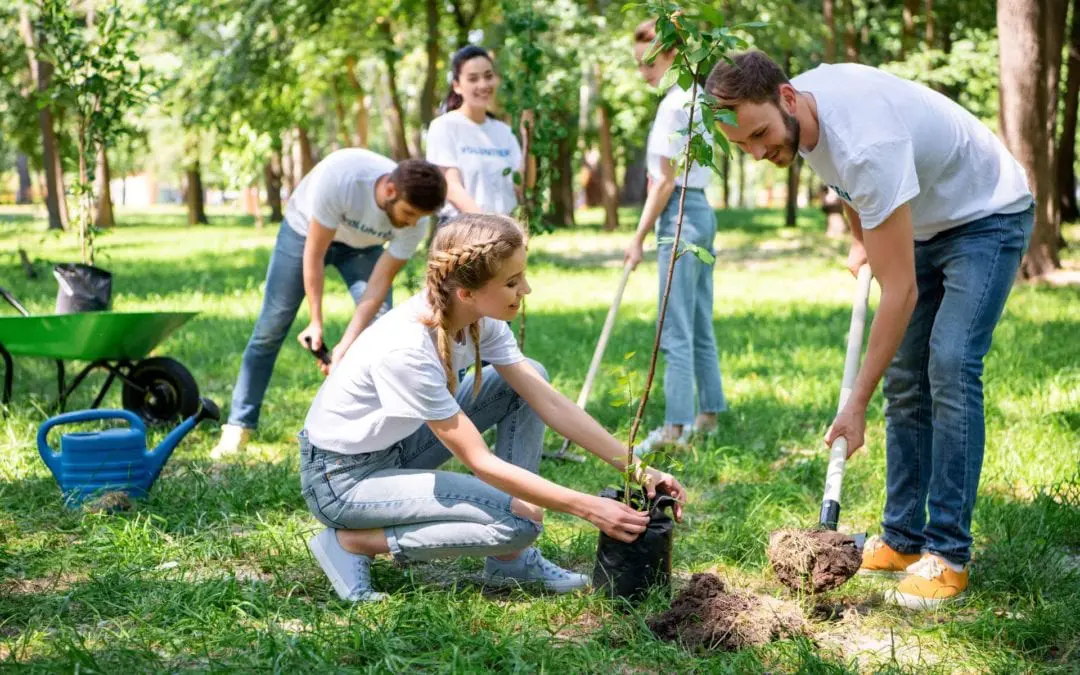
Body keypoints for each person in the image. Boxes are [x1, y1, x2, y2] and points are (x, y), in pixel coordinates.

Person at [705, 51, 1033, 609]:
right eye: (743, 147)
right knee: (906, 377)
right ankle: (904, 540)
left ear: (786, 97)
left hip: (986, 215)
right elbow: (848, 185)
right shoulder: (799, 113)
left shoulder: (864, 141)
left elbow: (898, 291)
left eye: (760, 135)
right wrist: (861, 235)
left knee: (949, 365)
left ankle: (949, 555)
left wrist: (854, 403)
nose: (759, 152)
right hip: (923, 220)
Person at [299, 214, 687, 601]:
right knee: (521, 521)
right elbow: (479, 461)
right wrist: (588, 507)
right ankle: (354, 541)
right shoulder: (408, 349)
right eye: (512, 282)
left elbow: (548, 402)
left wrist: (638, 468)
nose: (527, 289)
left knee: (528, 378)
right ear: (466, 292)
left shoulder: (478, 320)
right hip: (343, 480)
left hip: (395, 449)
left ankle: (510, 563)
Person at [211, 149, 447, 458]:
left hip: (363, 249)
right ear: (390, 190)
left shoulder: (415, 221)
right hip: (303, 233)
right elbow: (314, 254)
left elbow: (376, 289)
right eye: (408, 213)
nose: (412, 223)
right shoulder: (343, 178)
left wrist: (346, 345)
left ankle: (373, 436)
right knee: (271, 326)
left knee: (381, 329)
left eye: (418, 218)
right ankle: (237, 427)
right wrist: (315, 321)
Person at [624, 19, 728, 455]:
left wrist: (637, 237)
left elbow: (663, 183)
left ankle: (675, 427)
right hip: (702, 210)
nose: (643, 72)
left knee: (675, 326)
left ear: (670, 55)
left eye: (648, 63)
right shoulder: (697, 98)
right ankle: (709, 414)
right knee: (698, 318)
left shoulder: (673, 105)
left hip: (680, 213)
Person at [426, 45, 533, 219]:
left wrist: (528, 138)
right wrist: (487, 225)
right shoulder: (444, 126)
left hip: (505, 231)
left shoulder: (504, 132)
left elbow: (523, 185)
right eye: (473, 79)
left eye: (488, 76)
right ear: (457, 86)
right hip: (462, 230)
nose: (483, 85)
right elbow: (451, 187)